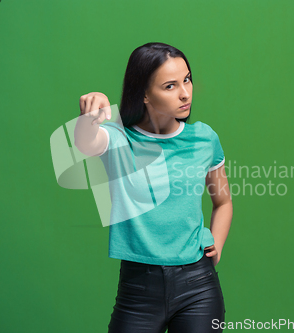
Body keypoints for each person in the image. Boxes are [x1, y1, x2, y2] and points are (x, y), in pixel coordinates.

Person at [74, 42, 233, 333]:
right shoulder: (119, 139)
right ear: (144, 94)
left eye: (187, 79)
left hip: (198, 285)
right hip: (138, 291)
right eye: (170, 86)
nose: (185, 92)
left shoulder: (204, 139)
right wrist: (88, 117)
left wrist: (217, 246)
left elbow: (223, 202)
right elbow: (86, 143)